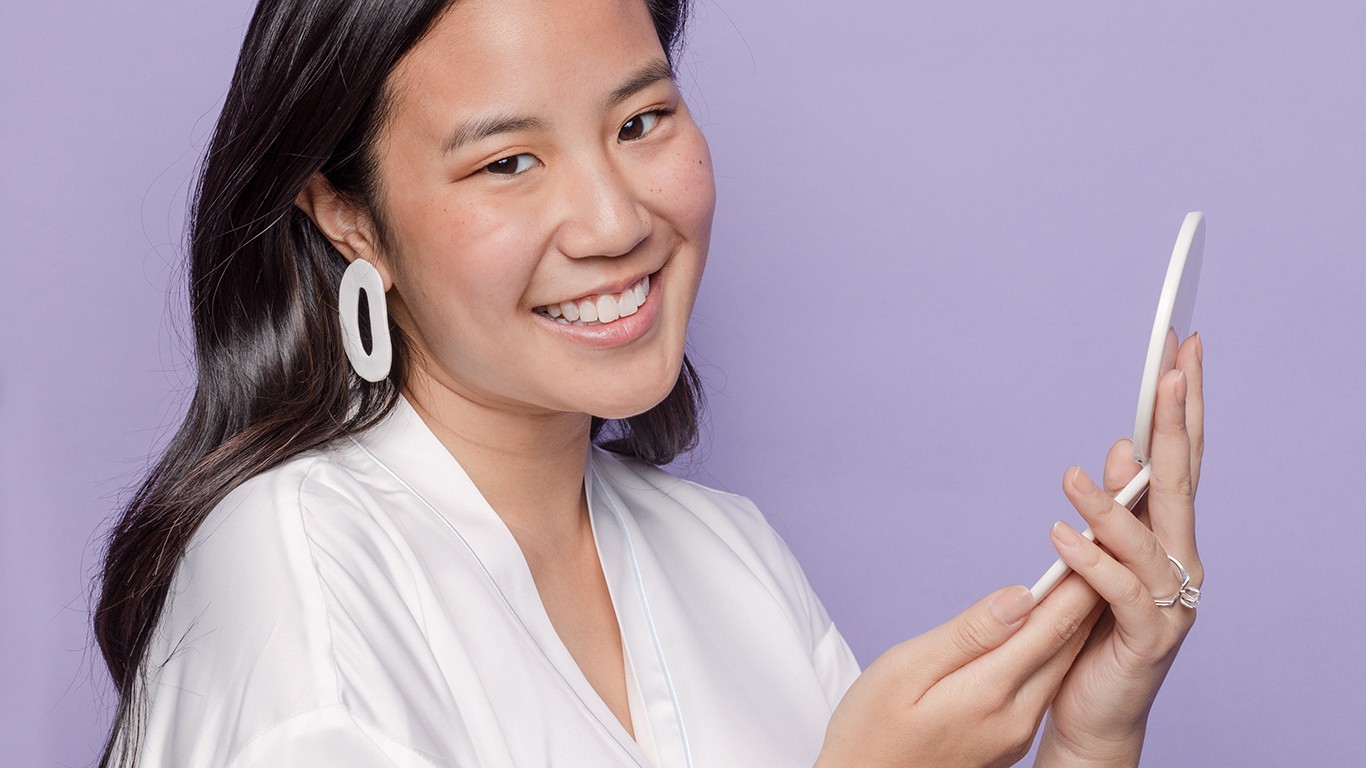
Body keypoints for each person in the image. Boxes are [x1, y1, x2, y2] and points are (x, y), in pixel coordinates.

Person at [93, 0, 1206, 766]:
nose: (618, 222)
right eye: (508, 162)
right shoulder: (292, 575)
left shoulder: (724, 555)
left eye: (640, 121)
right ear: (349, 219)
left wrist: (1089, 736)